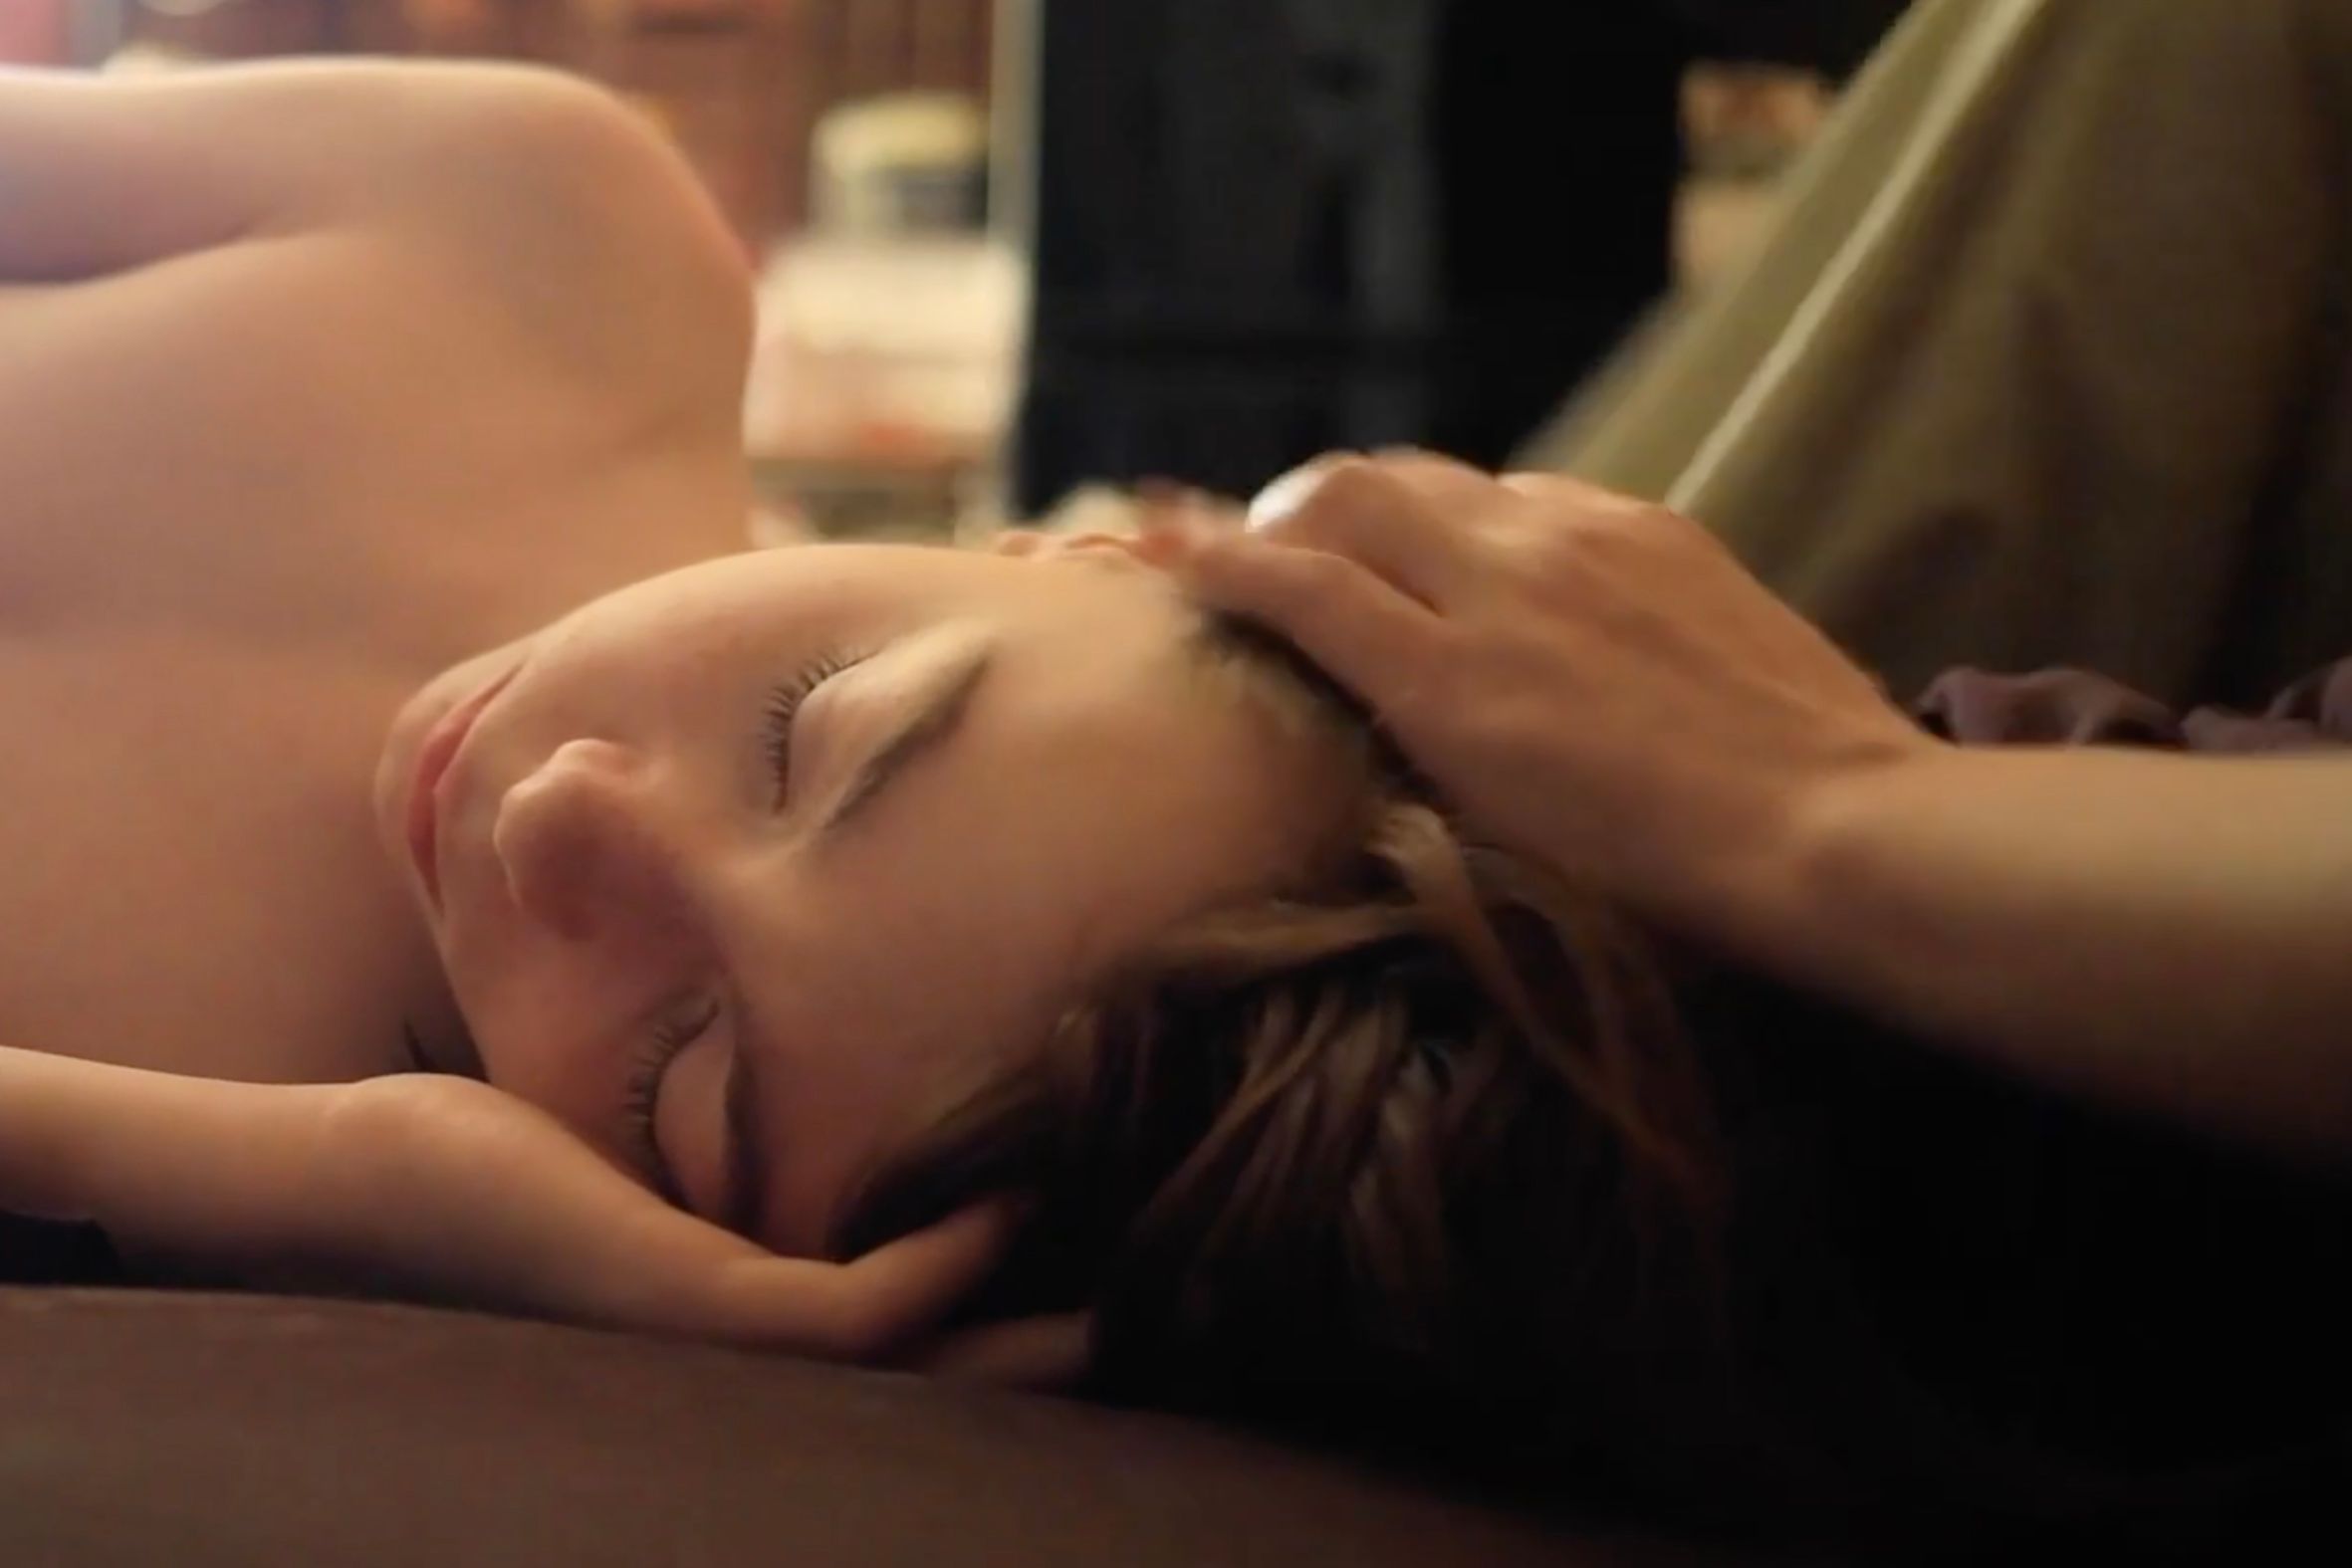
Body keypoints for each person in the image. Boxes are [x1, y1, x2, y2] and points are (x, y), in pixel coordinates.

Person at [0, 58, 2341, 1550]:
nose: (561, 831)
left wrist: (307, 1168)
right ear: (1111, 541)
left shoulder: (211, 1068)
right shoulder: (539, 235)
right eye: (815, 721)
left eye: (680, 1078)